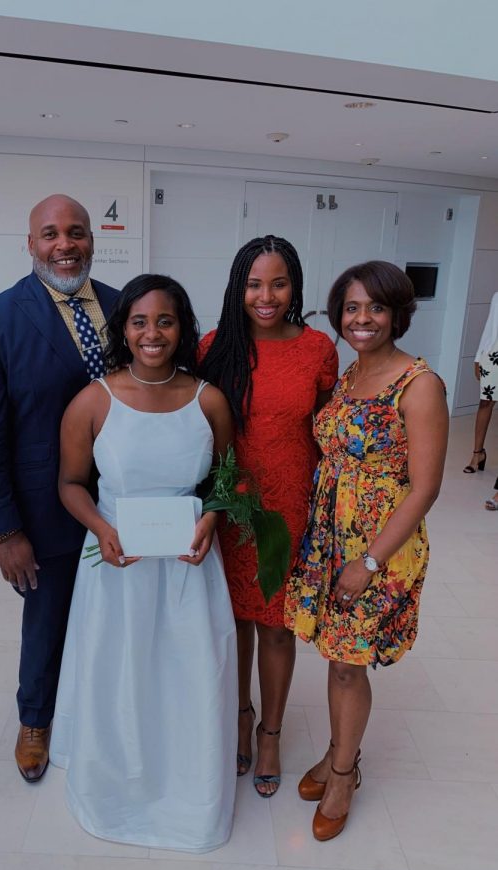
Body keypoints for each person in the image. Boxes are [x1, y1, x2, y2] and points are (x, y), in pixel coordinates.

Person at [50, 274, 238, 852]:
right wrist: (103, 528)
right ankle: (118, 780)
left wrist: (212, 517)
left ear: (182, 329)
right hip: (117, 564)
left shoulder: (208, 398)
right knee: (119, 669)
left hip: (187, 562)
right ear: (123, 329)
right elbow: (71, 483)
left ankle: (188, 780)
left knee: (188, 671)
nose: (152, 333)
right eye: (139, 321)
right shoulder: (93, 400)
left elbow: (228, 478)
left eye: (165, 321)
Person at [0, 194, 119, 783]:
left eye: (76, 232)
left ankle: (106, 711)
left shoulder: (128, 309)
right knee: (48, 619)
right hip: (43, 512)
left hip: (127, 504)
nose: (64, 245)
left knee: (118, 617)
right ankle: (36, 721)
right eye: (50, 234)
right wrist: (4, 530)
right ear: (30, 245)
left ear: (93, 239)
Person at [285, 260, 448, 841]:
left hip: (379, 548)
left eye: (375, 308)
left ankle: (343, 772)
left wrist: (370, 561)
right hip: (330, 537)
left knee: (349, 665)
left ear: (397, 314)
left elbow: (426, 487)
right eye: (351, 308)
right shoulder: (349, 376)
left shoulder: (419, 383)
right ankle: (337, 754)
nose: (362, 319)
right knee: (336, 657)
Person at [198, 235, 338, 797]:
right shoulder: (214, 345)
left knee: (278, 627)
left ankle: (271, 731)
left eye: (278, 283)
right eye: (254, 283)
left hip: (290, 512)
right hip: (231, 507)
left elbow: (326, 431)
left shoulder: (317, 348)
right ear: (238, 287)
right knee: (232, 623)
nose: (266, 295)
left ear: (294, 286)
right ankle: (237, 717)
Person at [462, 291, 498, 510]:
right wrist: (478, 356)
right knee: (485, 402)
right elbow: (491, 325)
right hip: (494, 354)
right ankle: (477, 454)